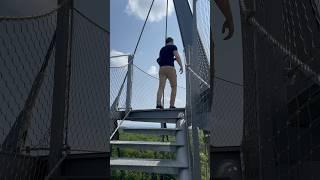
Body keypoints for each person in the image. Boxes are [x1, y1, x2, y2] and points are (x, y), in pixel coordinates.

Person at [156, 37, 183, 109]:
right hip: (170, 68)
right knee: (174, 87)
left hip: (161, 69)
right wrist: (181, 66)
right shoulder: (173, 47)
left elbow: (162, 58)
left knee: (161, 87)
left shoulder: (162, 49)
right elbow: (177, 56)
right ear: (172, 41)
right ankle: (171, 105)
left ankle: (158, 104)